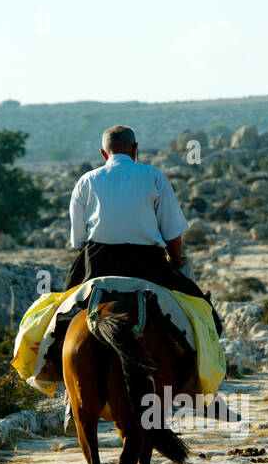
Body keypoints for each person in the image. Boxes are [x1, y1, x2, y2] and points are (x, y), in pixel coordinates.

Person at [65, 125, 221, 333]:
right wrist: (175, 261)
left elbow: (78, 243)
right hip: (148, 264)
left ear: (103, 153)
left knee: (60, 317)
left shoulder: (86, 181)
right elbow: (172, 235)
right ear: (135, 148)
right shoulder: (154, 177)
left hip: (97, 263)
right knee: (203, 315)